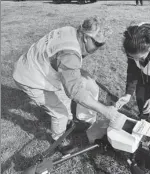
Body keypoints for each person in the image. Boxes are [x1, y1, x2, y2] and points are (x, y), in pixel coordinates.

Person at [13, 16, 126, 149]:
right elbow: (75, 91)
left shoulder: (72, 31)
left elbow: (63, 61)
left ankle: (72, 122)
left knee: (75, 93)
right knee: (60, 113)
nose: (99, 48)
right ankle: (58, 140)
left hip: (38, 65)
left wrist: (80, 72)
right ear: (85, 37)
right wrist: (106, 111)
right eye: (97, 43)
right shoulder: (70, 54)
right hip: (30, 77)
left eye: (102, 44)